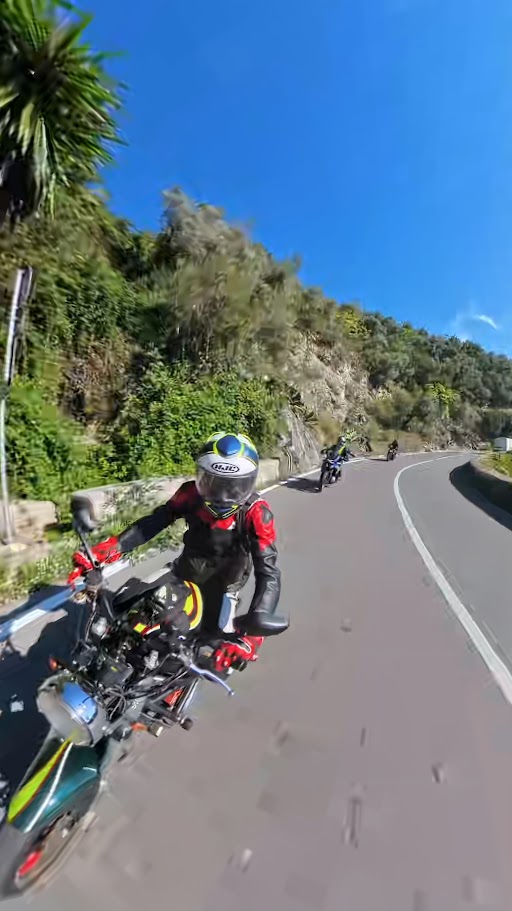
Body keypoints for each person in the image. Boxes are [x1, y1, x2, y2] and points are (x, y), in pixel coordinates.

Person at [71, 432, 282, 673]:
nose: (222, 496)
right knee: (120, 605)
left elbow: (269, 573)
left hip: (223, 588)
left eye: (234, 487)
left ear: (249, 483)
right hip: (182, 572)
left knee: (219, 662)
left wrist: (254, 633)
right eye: (213, 483)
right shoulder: (190, 494)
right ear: (201, 476)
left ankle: (175, 690)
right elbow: (154, 522)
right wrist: (109, 549)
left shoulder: (257, 514)